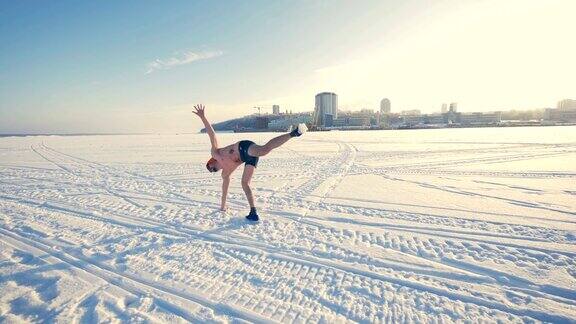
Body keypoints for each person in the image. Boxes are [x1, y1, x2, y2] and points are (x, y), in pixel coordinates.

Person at [193, 104, 307, 221]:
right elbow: (224, 190)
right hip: (248, 158)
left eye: (210, 168)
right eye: (211, 171)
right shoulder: (225, 173)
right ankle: (253, 212)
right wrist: (222, 206)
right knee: (245, 183)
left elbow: (212, 134)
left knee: (264, 150)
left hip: (243, 147)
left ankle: (294, 133)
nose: (212, 170)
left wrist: (202, 117)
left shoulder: (216, 153)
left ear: (211, 162)